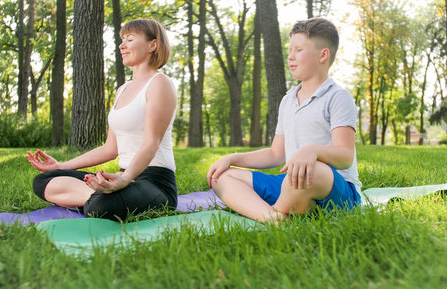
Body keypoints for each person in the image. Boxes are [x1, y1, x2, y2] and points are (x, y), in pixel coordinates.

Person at [207, 17, 361, 223]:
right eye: (290, 50)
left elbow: (345, 155)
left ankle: (281, 208)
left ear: (323, 54)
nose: (291, 57)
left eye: (298, 50)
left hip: (334, 188)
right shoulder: (288, 100)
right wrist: (232, 158)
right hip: (291, 183)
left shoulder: (338, 97)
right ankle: (274, 219)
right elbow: (275, 154)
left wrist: (312, 151)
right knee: (223, 177)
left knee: (310, 171)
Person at [27, 18, 178, 221]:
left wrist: (125, 179)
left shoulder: (160, 84)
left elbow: (151, 143)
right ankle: (98, 195)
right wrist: (61, 165)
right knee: (44, 179)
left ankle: (99, 197)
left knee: (100, 206)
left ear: (153, 44)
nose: (122, 45)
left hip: (155, 182)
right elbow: (110, 149)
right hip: (125, 178)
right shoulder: (122, 90)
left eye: (130, 39)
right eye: (122, 39)